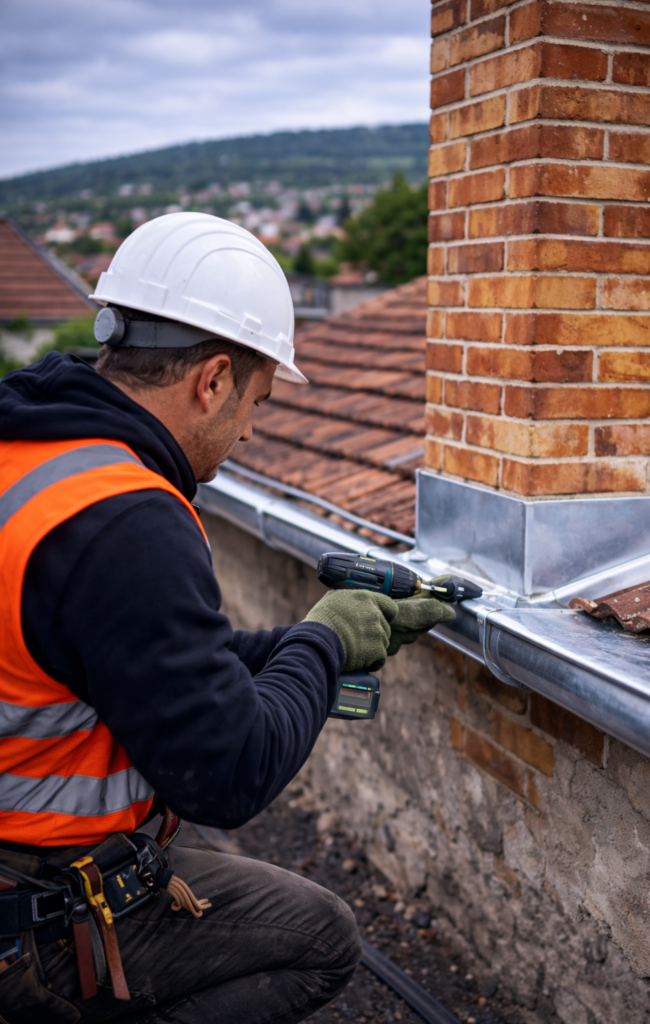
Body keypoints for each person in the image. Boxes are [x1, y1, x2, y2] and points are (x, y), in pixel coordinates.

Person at [0, 213, 455, 1023]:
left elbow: (132, 658)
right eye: (256, 400)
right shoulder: (125, 518)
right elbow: (225, 774)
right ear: (211, 379)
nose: (249, 430)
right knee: (317, 937)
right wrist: (319, 645)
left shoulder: (31, 450)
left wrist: (310, 639)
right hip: (30, 910)